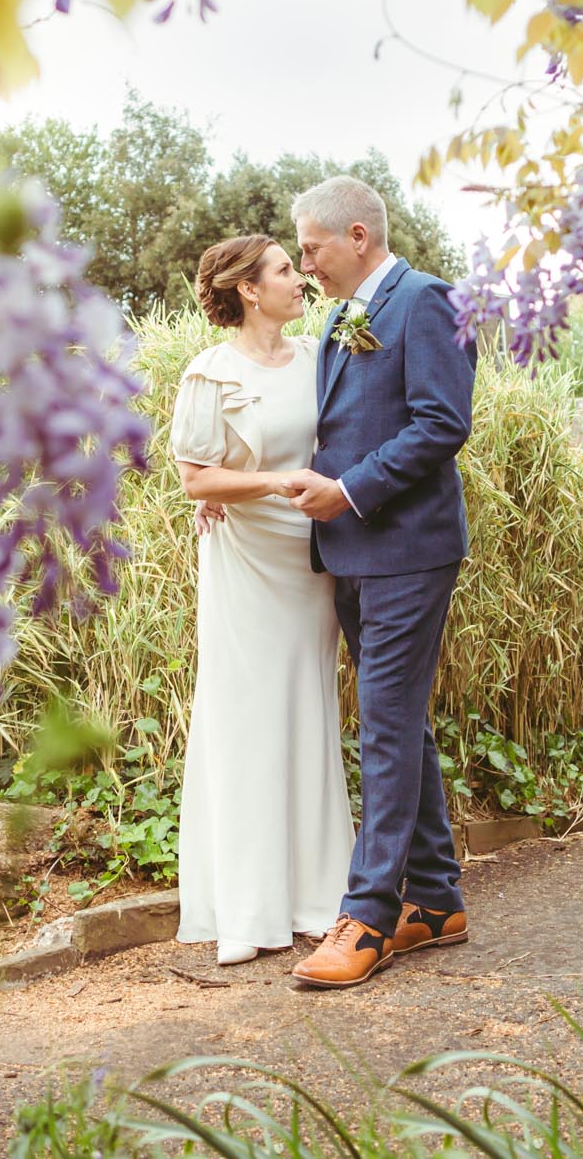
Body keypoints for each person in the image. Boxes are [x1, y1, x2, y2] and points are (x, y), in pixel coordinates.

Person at [279, 174, 477, 990]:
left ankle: (367, 915)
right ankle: (435, 900)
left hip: (407, 551)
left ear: (356, 235)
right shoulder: (341, 318)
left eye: (312, 248)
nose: (305, 265)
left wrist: (351, 490)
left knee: (387, 730)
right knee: (402, 723)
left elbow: (443, 422)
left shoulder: (425, 300)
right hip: (353, 554)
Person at [167, 234, 355, 967]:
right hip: (247, 561)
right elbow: (195, 480)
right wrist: (273, 482)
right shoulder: (209, 373)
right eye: (285, 270)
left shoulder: (317, 357)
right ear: (249, 288)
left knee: (309, 708)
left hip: (314, 560)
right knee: (247, 718)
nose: (299, 279)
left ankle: (319, 898)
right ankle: (248, 910)